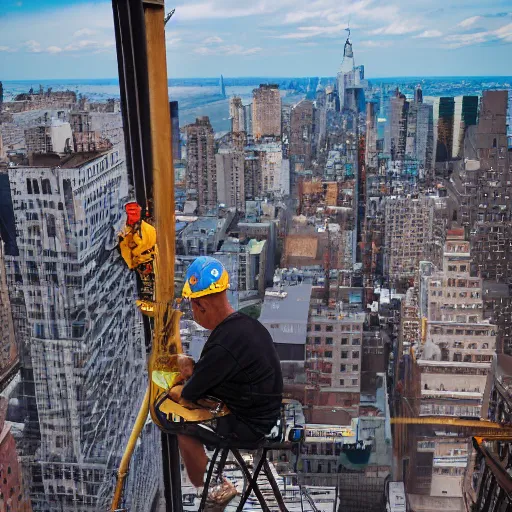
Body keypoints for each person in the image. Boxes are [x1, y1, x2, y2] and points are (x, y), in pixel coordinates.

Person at [169, 256, 283, 506]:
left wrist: (172, 387)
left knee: (178, 424)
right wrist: (195, 369)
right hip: (263, 412)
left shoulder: (222, 344)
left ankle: (216, 490)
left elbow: (188, 396)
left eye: (193, 308)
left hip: (249, 425)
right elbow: (222, 373)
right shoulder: (244, 326)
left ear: (202, 306)